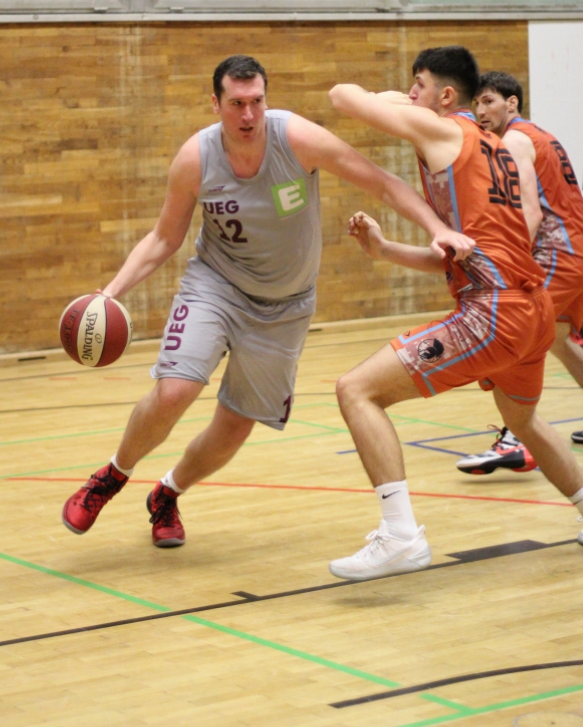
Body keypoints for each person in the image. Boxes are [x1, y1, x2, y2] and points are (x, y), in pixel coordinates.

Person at [62, 54, 474, 548]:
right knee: (174, 390)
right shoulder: (196, 158)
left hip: (285, 305)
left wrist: (437, 228)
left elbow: (382, 183)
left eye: (256, 101)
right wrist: (111, 292)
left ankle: (168, 494)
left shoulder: (296, 139)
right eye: (236, 104)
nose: (248, 114)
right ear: (215, 104)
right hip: (216, 286)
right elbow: (163, 238)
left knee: (236, 425)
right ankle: (111, 476)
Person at [326, 46, 583, 582]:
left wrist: (389, 99)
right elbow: (464, 253)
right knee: (522, 421)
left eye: (417, 84)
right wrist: (385, 250)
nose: (410, 94)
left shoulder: (448, 131)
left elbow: (341, 96)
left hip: (495, 313)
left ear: (445, 96)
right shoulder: (492, 147)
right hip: (531, 310)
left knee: (356, 390)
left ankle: (401, 536)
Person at [454, 71, 583, 473]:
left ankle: (518, 440)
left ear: (512, 103)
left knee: (515, 334)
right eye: (476, 103)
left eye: (489, 101)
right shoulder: (540, 135)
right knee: (558, 340)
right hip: (575, 251)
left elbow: (529, 212)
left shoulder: (512, 141)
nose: (481, 111)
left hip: (557, 255)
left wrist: (507, 264)